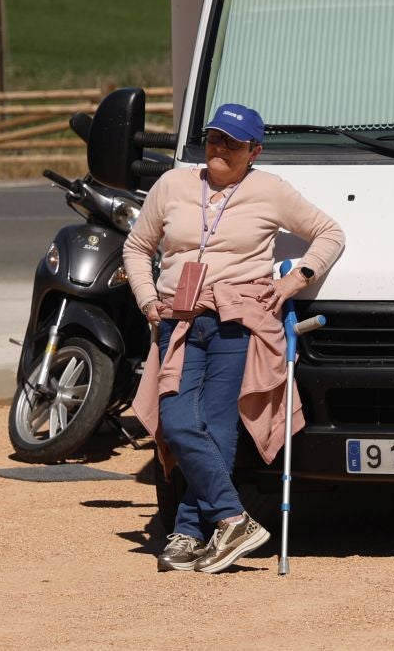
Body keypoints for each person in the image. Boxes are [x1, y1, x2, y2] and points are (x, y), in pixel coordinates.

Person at [124, 102, 345, 574]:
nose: (218, 148)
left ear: (254, 150)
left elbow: (330, 233)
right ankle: (232, 518)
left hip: (236, 322)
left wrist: (295, 280)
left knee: (219, 430)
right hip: (177, 319)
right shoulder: (173, 184)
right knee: (178, 420)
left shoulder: (270, 190)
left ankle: (189, 532)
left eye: (231, 142)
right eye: (213, 138)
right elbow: (137, 246)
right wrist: (147, 301)